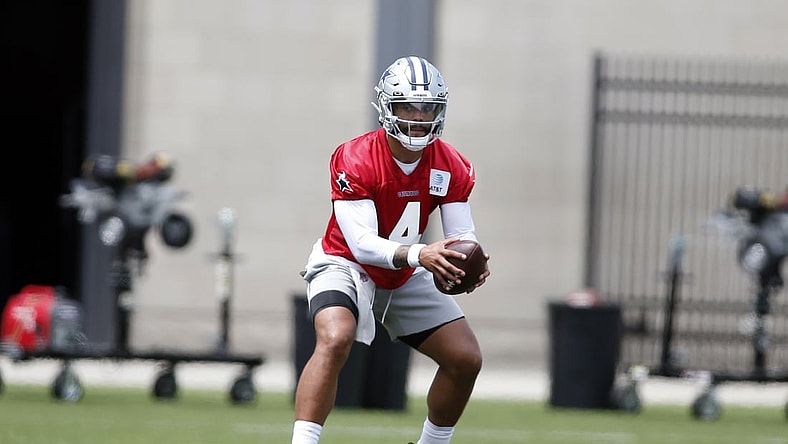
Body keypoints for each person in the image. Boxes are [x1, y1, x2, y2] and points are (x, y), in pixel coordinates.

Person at [292, 55, 490, 444]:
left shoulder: (450, 164)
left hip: (405, 272)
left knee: (465, 358)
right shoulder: (356, 157)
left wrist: (468, 262)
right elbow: (362, 245)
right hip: (345, 263)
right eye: (407, 107)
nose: (417, 117)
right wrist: (422, 255)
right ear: (386, 107)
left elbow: (461, 237)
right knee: (335, 337)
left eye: (426, 108)